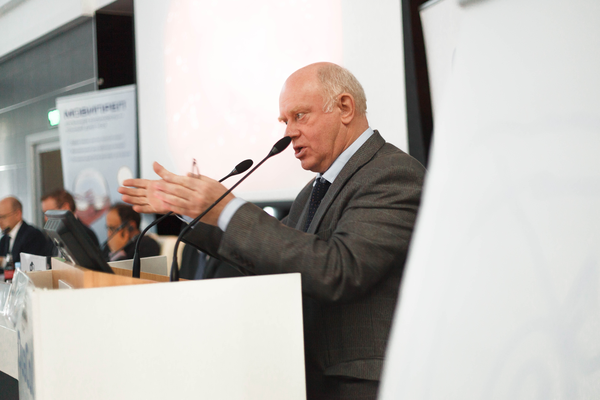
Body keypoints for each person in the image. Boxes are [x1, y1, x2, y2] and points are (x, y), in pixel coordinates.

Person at [119, 62, 426, 399]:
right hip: (305, 377)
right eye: (284, 121)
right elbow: (274, 258)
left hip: (361, 386)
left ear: (345, 108)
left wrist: (228, 208)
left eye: (300, 116)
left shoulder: (391, 173)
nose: (288, 133)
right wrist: (190, 209)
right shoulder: (313, 190)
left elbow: (339, 270)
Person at [0, 196, 50, 268]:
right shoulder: (4, 239)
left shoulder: (33, 235)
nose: (0, 221)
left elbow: (30, 266)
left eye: (3, 217)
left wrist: (3, 262)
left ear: (18, 214)